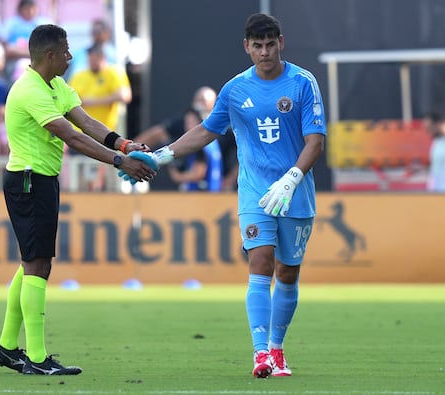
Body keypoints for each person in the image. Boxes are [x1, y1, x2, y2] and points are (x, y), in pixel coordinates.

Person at [124, 13, 327, 378]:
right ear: (246, 47)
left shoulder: (302, 83)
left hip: (294, 192)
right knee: (260, 262)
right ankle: (261, 353)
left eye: (270, 45)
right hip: (253, 192)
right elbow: (205, 131)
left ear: (280, 43)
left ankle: (278, 348)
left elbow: (316, 140)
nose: (264, 53)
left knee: (288, 272)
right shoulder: (235, 90)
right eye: (257, 46)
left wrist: (293, 177)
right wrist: (160, 156)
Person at [0, 24, 154, 376]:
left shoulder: (56, 86)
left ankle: (5, 346)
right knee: (38, 264)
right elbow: (71, 137)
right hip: (28, 180)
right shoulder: (29, 90)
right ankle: (36, 357)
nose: (70, 56)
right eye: (65, 51)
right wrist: (120, 162)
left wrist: (123, 144)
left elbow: (86, 122)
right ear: (49, 55)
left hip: (40, 181)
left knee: (31, 262)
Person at [68, 42, 132, 191]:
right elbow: (70, 100)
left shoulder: (113, 73)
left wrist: (96, 101)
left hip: (104, 134)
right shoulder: (80, 76)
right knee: (81, 176)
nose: (92, 62)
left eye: (95, 58)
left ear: (102, 58)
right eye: (89, 58)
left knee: (101, 174)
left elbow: (124, 95)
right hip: (79, 132)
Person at [167, 108, 222, 192]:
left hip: (202, 197)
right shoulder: (212, 142)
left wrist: (177, 176)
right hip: (213, 194)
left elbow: (198, 174)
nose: (188, 125)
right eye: (186, 122)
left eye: (192, 121)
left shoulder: (199, 144)